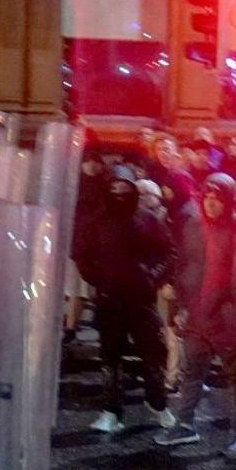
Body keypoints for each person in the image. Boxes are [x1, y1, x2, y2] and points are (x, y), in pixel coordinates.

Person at [162, 173, 236, 453]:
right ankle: (183, 424)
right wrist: (181, 299)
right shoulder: (194, 226)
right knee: (193, 371)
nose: (211, 203)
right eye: (207, 197)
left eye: (218, 199)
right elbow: (185, 263)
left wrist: (232, 306)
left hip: (227, 318)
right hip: (198, 313)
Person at [74, 172, 175, 434]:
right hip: (109, 299)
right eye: (114, 191)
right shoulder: (96, 221)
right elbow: (82, 255)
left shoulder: (146, 219)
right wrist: (99, 278)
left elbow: (167, 252)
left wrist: (152, 277)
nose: (119, 196)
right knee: (111, 357)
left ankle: (158, 403)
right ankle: (111, 410)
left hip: (141, 299)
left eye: (123, 191)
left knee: (153, 353)